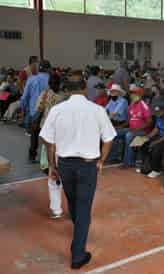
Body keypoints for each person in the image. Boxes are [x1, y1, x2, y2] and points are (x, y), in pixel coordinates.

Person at [39, 78, 116, 269]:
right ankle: (77, 255)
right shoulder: (97, 110)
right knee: (83, 208)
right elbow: (108, 138)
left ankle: (78, 229)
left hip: (64, 164)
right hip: (87, 165)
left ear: (67, 90)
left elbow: (47, 140)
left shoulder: (57, 110)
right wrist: (102, 160)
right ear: (84, 89)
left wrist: (52, 165)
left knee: (73, 201)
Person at [36, 73, 68, 219]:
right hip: (61, 133)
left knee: (49, 161)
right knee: (59, 160)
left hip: (46, 131)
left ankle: (56, 210)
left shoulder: (44, 94)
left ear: (49, 83)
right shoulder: (63, 98)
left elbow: (37, 109)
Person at [138, 101, 164, 185]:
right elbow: (156, 129)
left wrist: (155, 142)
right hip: (161, 137)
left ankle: (156, 170)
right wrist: (147, 137)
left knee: (156, 147)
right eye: (156, 112)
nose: (157, 114)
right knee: (144, 143)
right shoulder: (159, 116)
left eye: (159, 112)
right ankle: (147, 167)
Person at [21, 60, 51, 162]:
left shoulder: (31, 79)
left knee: (34, 134)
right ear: (49, 69)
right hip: (48, 112)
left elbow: (24, 97)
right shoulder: (51, 79)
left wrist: (23, 108)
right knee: (49, 135)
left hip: (34, 112)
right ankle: (48, 158)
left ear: (39, 69)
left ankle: (32, 156)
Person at [122, 87, 153, 169]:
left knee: (129, 136)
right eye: (131, 94)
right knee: (115, 133)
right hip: (132, 129)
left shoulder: (144, 106)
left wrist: (137, 129)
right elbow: (128, 120)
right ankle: (114, 157)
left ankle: (128, 162)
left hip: (143, 132)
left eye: (134, 94)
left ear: (139, 95)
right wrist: (119, 127)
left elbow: (150, 122)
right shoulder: (131, 105)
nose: (132, 96)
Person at [106, 84, 129, 162]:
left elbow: (114, 114)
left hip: (123, 125)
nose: (112, 93)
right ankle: (110, 156)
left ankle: (113, 157)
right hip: (113, 123)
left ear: (119, 93)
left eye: (114, 92)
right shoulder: (112, 100)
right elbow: (105, 110)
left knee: (112, 135)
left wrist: (105, 119)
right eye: (112, 92)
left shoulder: (123, 101)